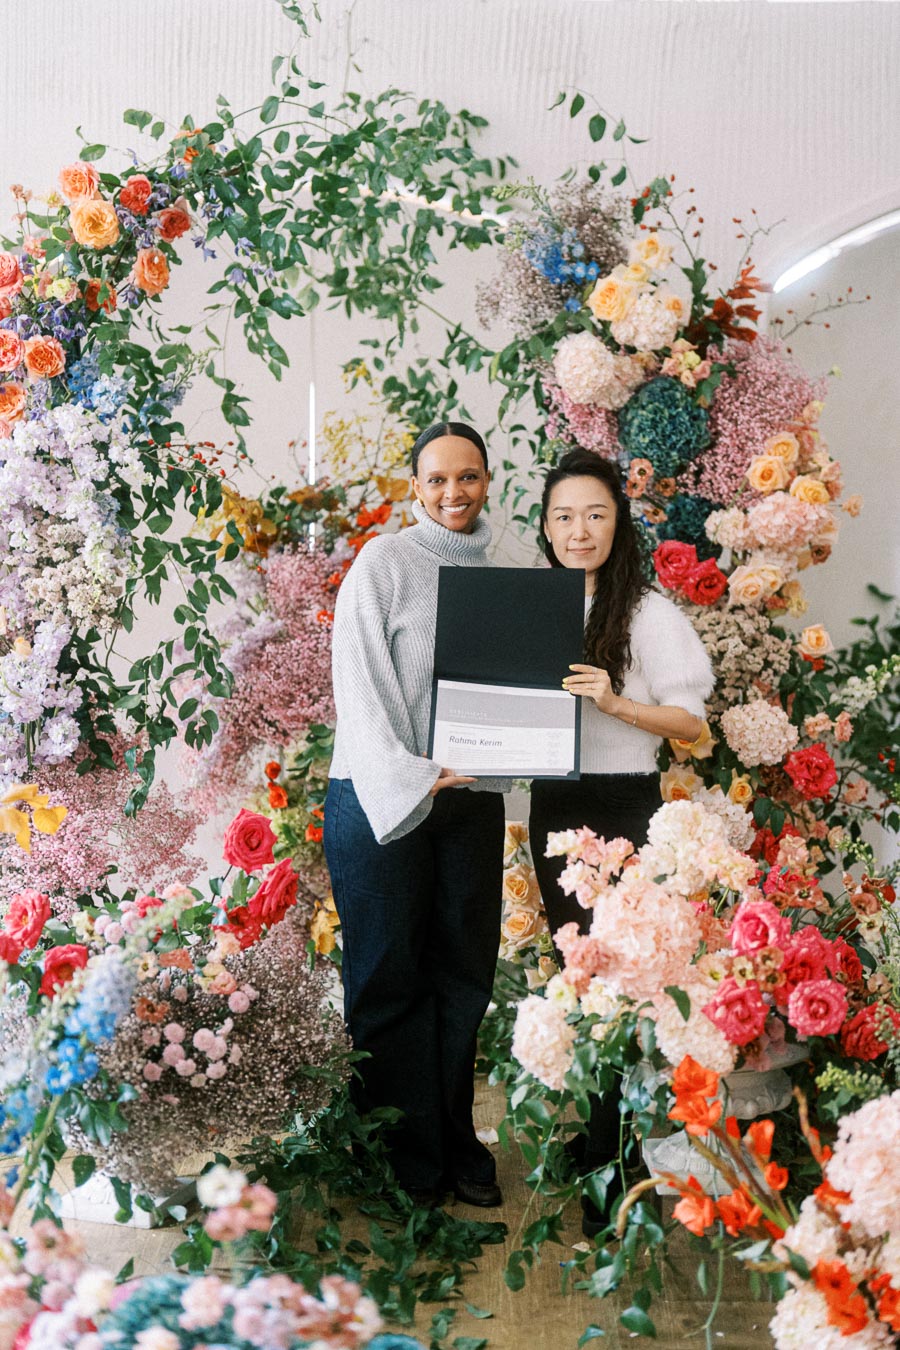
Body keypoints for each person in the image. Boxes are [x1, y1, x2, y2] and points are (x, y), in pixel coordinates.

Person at [323, 422, 507, 1210]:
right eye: (437, 479)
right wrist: (417, 774)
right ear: (415, 487)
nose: (453, 493)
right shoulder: (384, 563)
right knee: (388, 979)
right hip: (380, 794)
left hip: (469, 801)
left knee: (463, 976)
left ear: (488, 480)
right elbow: (359, 688)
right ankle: (402, 1156)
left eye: (468, 477)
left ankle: (456, 1142)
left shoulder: (506, 578)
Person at [530, 448, 714, 1229]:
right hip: (553, 806)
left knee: (620, 987)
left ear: (618, 524)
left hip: (622, 808)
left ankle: (615, 1160)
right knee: (580, 981)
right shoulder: (530, 607)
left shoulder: (648, 613)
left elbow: (692, 725)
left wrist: (614, 704)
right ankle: (602, 1138)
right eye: (565, 516)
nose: (580, 531)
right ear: (545, 525)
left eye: (595, 515)